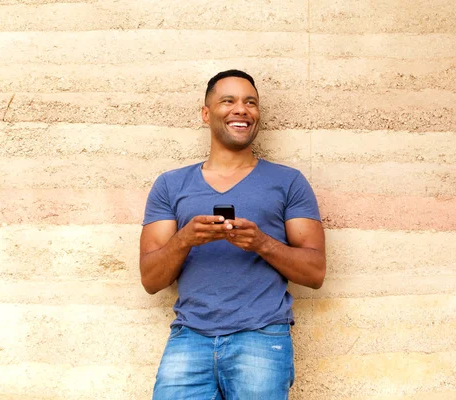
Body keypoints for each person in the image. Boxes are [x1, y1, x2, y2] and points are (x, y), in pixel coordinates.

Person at [139, 69, 326, 400]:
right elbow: (151, 280)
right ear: (206, 114)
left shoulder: (288, 182)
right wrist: (185, 240)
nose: (242, 109)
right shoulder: (170, 184)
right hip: (189, 336)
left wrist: (262, 243)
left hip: (262, 337)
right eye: (229, 101)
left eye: (250, 102)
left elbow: (315, 273)